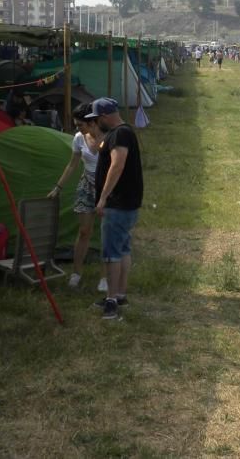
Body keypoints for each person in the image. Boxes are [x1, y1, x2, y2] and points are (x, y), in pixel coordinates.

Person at [87, 97, 143, 321]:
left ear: (103, 116)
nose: (96, 123)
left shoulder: (119, 135)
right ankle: (119, 295)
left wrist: (103, 197)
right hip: (128, 201)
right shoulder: (124, 132)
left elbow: (117, 164)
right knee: (123, 249)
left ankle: (111, 302)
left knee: (111, 253)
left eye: (96, 118)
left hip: (118, 203)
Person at [48, 104, 107, 292]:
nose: (77, 128)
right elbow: (72, 165)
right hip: (86, 186)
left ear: (92, 122)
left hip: (107, 189)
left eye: (80, 124)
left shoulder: (109, 137)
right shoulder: (79, 139)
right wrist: (58, 187)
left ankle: (104, 277)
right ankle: (76, 273)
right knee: (84, 231)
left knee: (106, 232)